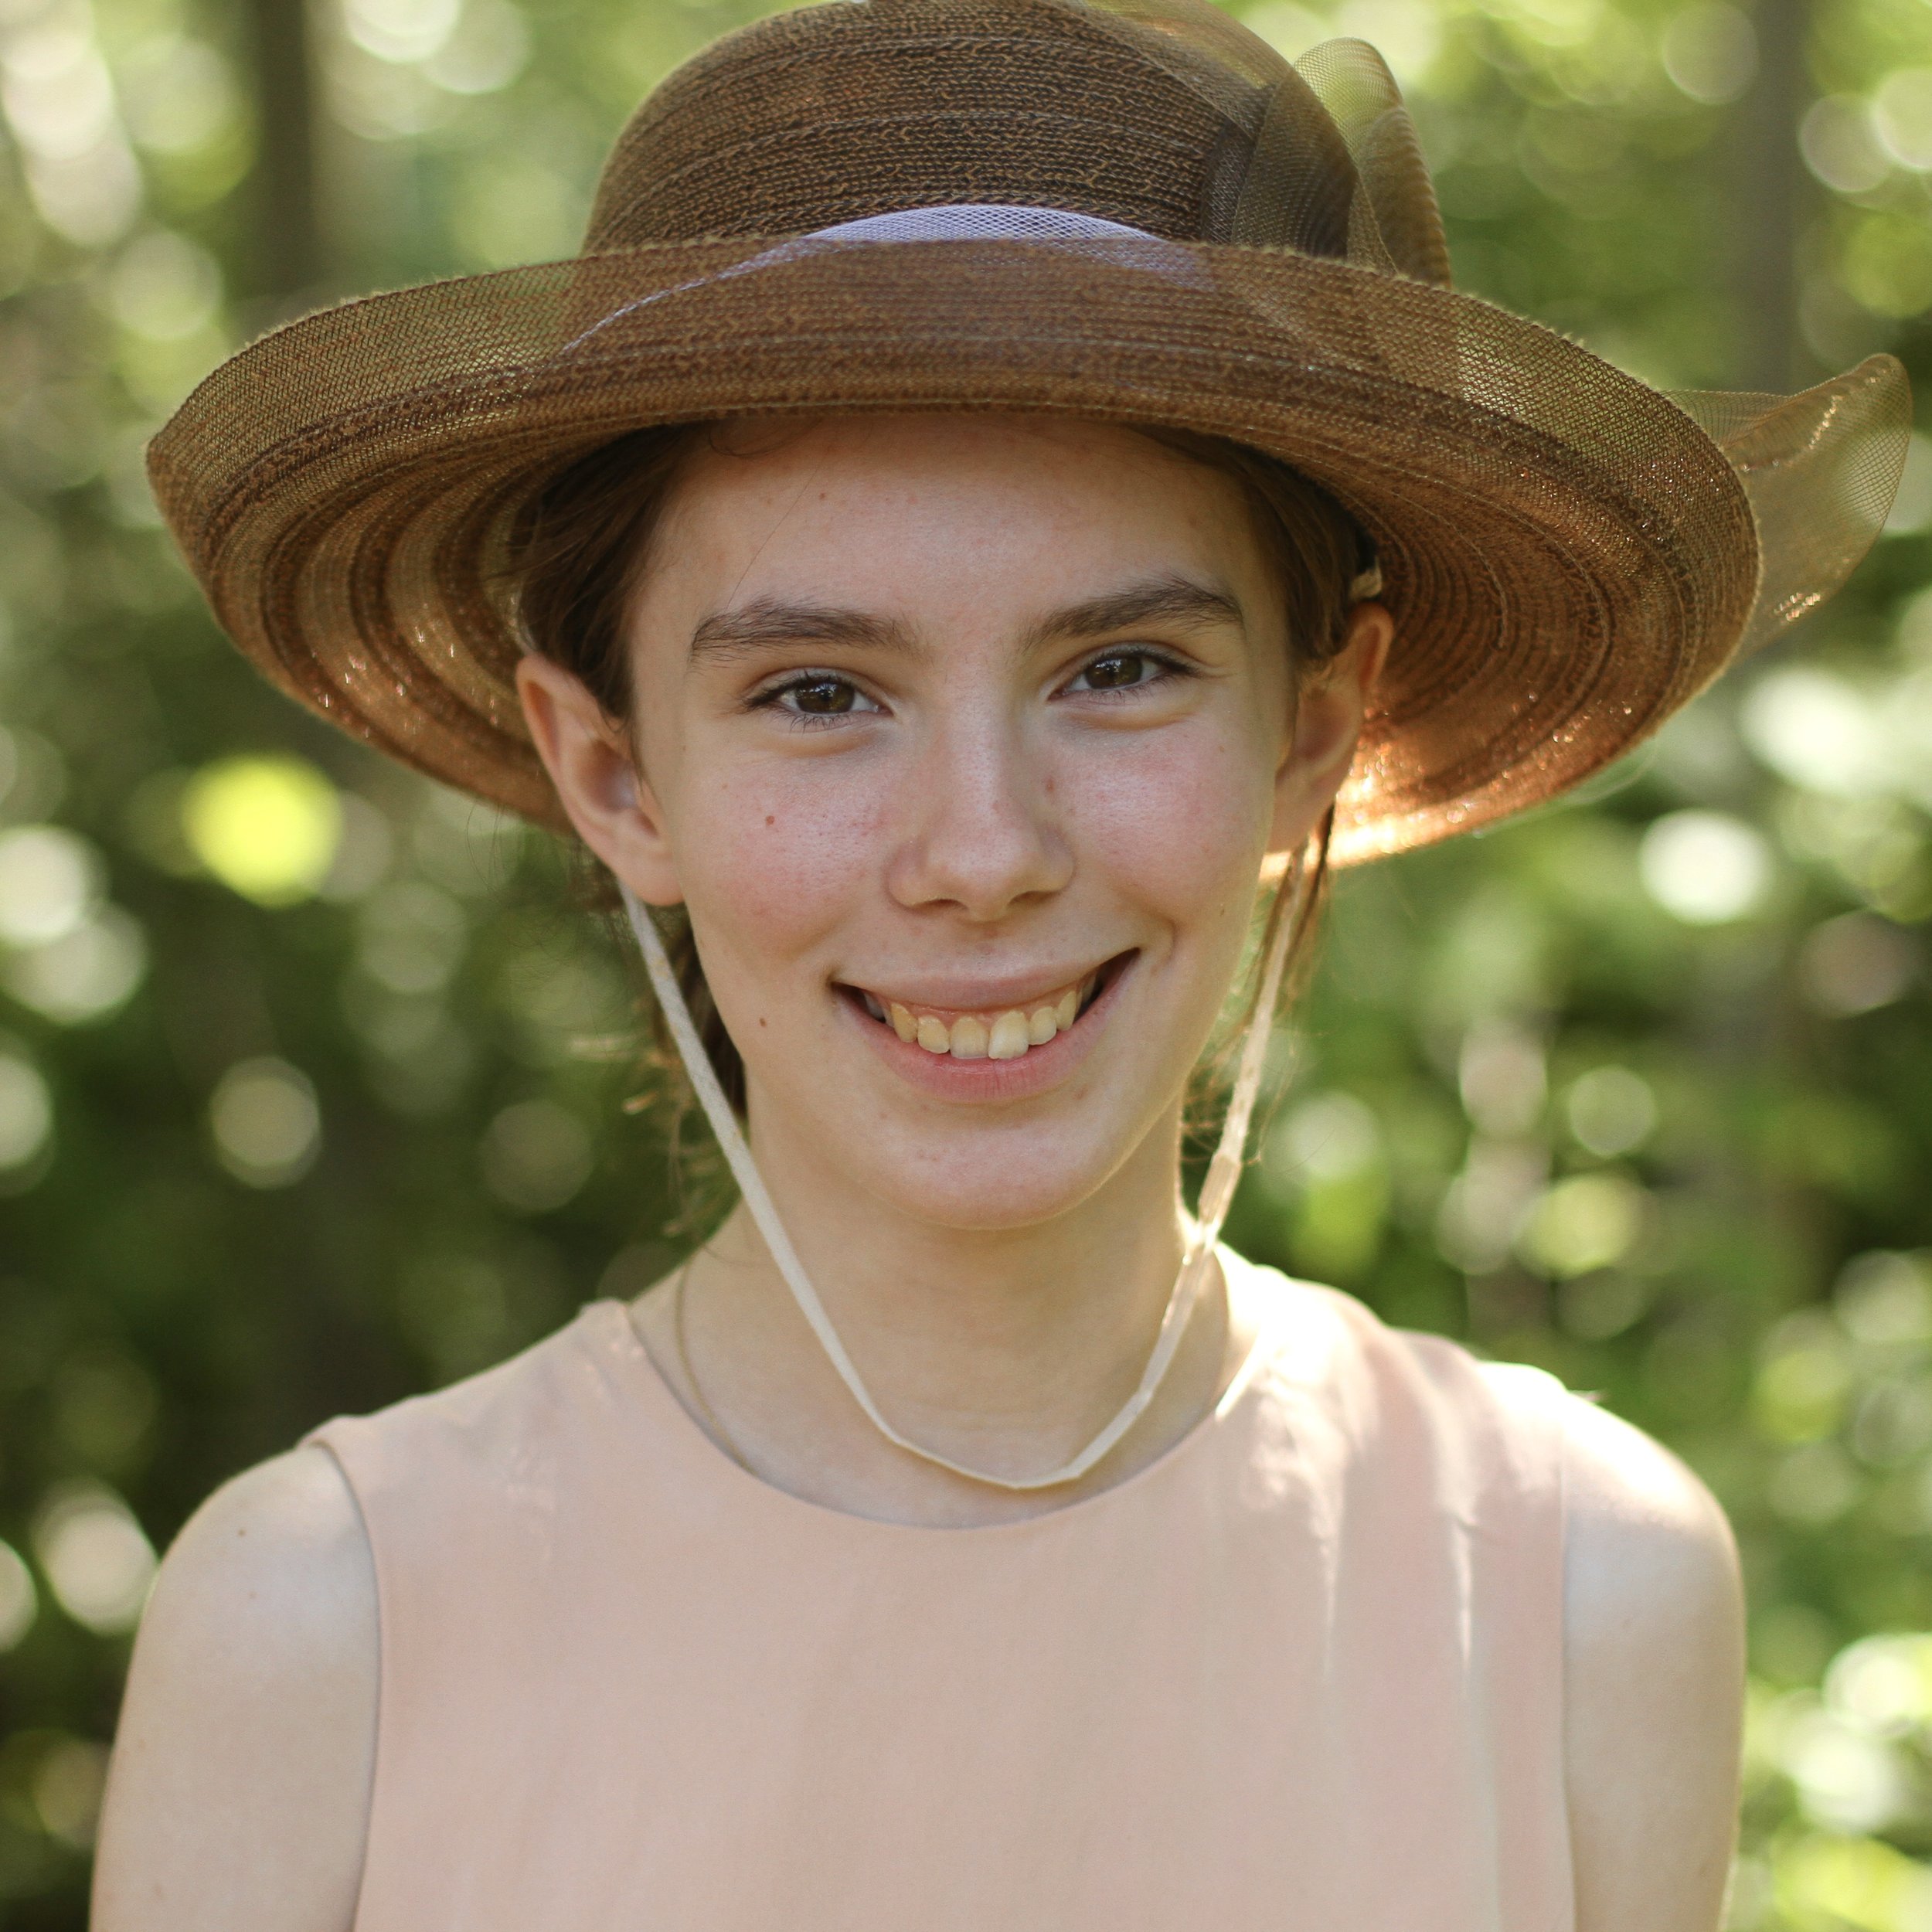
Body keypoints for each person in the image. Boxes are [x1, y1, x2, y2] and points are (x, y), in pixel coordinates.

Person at [94, 0, 1909, 1927]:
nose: (980, 852)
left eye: (1118, 669)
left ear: (1312, 727)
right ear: (611, 770)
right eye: (816, 691)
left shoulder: (1576, 1586)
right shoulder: (322, 1633)